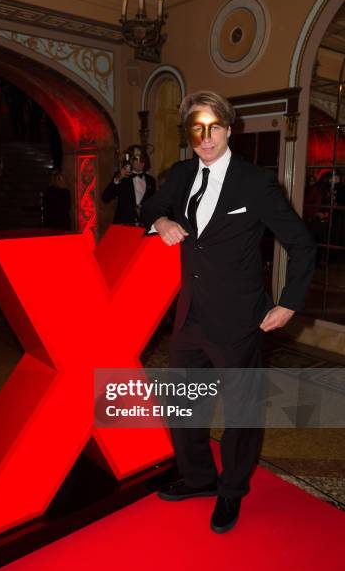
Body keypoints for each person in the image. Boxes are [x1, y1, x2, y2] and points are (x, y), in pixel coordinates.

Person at [141, 90, 316, 534]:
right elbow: (151, 205)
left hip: (240, 321)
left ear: (228, 129)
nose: (205, 138)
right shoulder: (181, 174)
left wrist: (289, 303)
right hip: (190, 316)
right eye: (196, 129)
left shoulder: (254, 183)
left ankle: (232, 491)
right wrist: (160, 222)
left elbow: (301, 244)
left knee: (241, 413)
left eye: (213, 128)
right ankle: (200, 478)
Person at [102, 145, 156, 225]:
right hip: (123, 226)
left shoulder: (151, 180)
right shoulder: (122, 177)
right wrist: (118, 179)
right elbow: (105, 198)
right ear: (129, 160)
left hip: (144, 226)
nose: (140, 161)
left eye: (142, 158)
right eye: (136, 158)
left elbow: (153, 204)